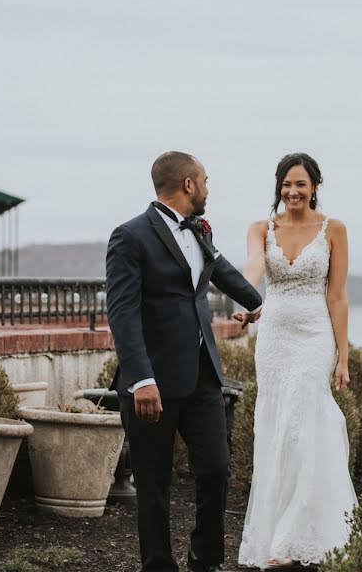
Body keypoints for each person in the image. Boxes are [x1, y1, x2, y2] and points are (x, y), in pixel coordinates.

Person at [106, 151, 262, 572]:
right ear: (188, 185)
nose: (209, 189)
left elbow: (219, 270)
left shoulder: (198, 231)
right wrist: (141, 379)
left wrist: (257, 302)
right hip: (151, 381)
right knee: (154, 485)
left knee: (216, 469)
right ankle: (158, 566)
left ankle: (205, 560)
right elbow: (121, 312)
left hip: (203, 374)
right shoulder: (130, 236)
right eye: (206, 181)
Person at [236, 152, 358, 569]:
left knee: (303, 425)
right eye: (287, 184)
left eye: (301, 184)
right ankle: (277, 533)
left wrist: (343, 356)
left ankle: (294, 538)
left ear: (314, 187)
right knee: (275, 427)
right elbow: (254, 266)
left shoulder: (334, 229)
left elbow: (337, 296)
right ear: (278, 187)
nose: (293, 192)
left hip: (314, 336)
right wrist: (244, 297)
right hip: (273, 338)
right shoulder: (260, 228)